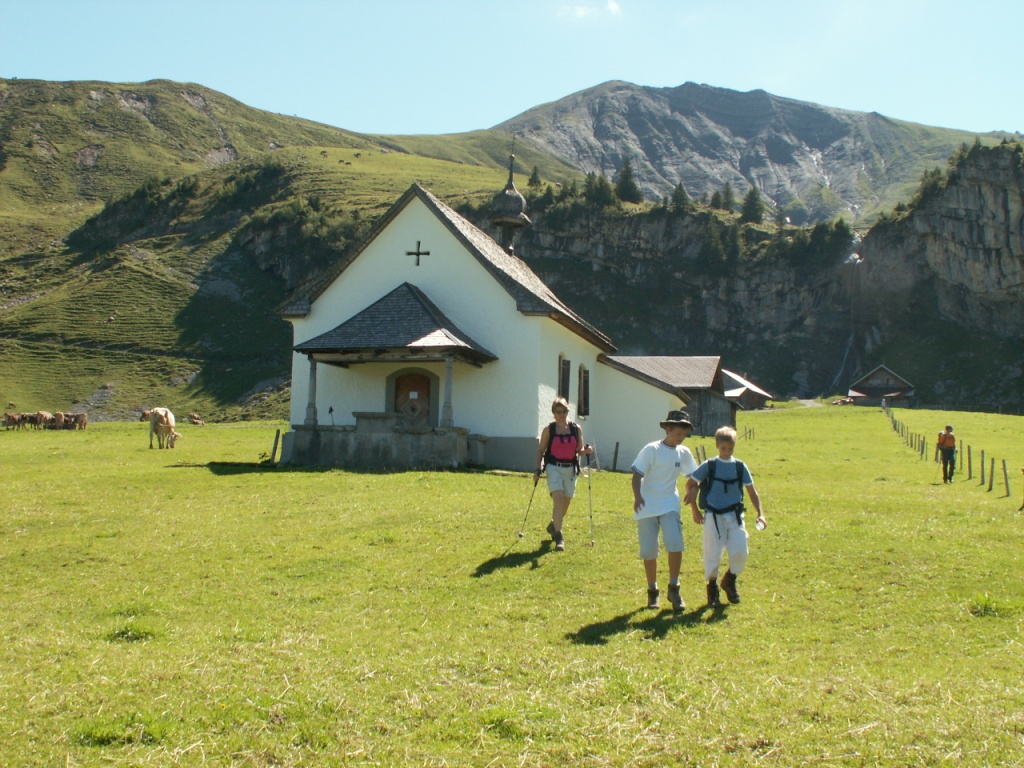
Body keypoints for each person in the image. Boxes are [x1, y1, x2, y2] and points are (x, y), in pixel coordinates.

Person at [684, 426, 765, 608]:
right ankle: (712, 588)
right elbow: (690, 485)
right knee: (712, 554)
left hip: (735, 516)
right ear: (717, 445)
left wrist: (761, 513)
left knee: (740, 552)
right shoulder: (709, 465)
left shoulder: (739, 467)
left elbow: (752, 491)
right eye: (723, 448)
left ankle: (729, 579)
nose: (727, 452)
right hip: (713, 516)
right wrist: (695, 510)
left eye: (730, 448)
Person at [630, 410, 699, 612]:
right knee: (649, 550)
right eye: (678, 433)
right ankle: (653, 591)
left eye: (684, 435)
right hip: (647, 506)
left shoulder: (683, 453)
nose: (681, 438)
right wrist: (638, 497)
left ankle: (674, 587)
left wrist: (694, 490)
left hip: (670, 504)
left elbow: (694, 477)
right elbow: (636, 475)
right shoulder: (651, 450)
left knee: (675, 544)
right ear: (668, 429)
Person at [533, 397, 592, 551]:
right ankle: (559, 537)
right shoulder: (549, 429)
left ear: (568, 411)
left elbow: (579, 450)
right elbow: (540, 450)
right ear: (553, 412)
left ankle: (553, 525)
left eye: (564, 411)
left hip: (571, 469)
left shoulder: (576, 429)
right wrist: (537, 468)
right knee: (558, 501)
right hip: (554, 468)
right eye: (558, 411)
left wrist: (586, 451)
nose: (561, 414)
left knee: (565, 503)